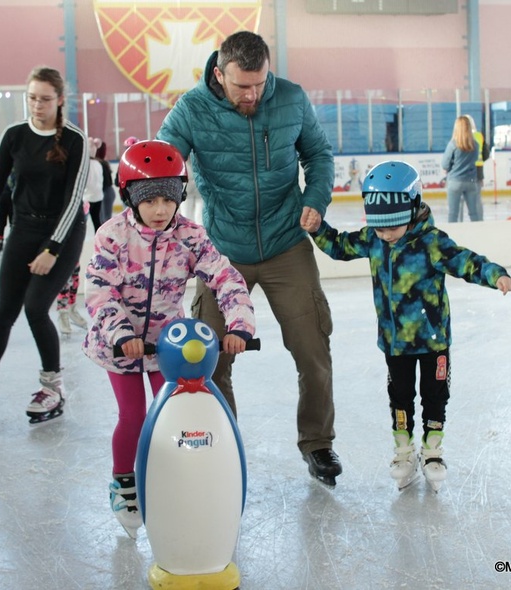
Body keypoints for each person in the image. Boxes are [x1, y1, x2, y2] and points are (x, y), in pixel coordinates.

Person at [156, 30, 342, 487]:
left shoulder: (292, 100)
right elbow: (163, 163)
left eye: (259, 83)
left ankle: (318, 443)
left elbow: (319, 154)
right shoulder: (193, 109)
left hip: (287, 243)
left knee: (313, 348)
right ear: (219, 74)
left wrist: (316, 197)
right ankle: (222, 446)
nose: (253, 94)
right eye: (242, 86)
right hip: (222, 252)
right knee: (209, 357)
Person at [302, 160, 511, 493]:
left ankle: (432, 450)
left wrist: (496, 274)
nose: (384, 234)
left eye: (391, 226)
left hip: (433, 342)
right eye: (379, 227)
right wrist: (318, 229)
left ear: (413, 210)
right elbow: (340, 246)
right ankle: (404, 450)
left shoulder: (432, 243)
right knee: (399, 396)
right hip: (395, 342)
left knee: (434, 396)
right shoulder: (375, 240)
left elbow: (467, 262)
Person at [82, 139, 255, 538]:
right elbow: (99, 290)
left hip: (168, 346)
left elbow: (224, 277)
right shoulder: (113, 235)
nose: (161, 210)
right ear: (129, 196)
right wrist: (120, 333)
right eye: (150, 200)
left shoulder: (190, 235)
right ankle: (124, 482)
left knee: (177, 411)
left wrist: (239, 324)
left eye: (169, 199)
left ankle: (175, 478)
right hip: (121, 345)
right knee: (134, 414)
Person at [0, 66, 88, 424]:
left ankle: (52, 386)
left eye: (44, 99)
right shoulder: (14, 136)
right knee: (4, 311)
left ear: (59, 100)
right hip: (24, 229)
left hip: (63, 231)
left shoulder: (75, 140)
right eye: (31, 98)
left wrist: (53, 249)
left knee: (35, 308)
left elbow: (73, 201)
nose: (37, 105)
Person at [54, 137, 103, 336]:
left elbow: (92, 189)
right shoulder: (60, 176)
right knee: (63, 274)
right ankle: (62, 311)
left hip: (77, 226)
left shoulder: (87, 169)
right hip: (59, 228)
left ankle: (72, 307)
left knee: (75, 271)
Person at [441, 115, 482, 222]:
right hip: (471, 181)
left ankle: (452, 236)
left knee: (453, 214)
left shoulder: (453, 144)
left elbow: (445, 164)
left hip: (455, 181)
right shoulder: (476, 145)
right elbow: (476, 159)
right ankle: (478, 233)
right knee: (474, 213)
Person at [95, 139, 116, 224]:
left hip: (106, 192)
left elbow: (104, 182)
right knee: (102, 218)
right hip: (107, 192)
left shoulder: (100, 163)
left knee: (105, 219)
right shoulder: (102, 163)